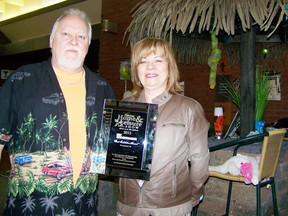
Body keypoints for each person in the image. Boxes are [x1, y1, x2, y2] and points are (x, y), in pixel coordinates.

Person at [0, 8, 114, 215]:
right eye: (66, 34)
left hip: (84, 206)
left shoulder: (103, 89)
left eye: (81, 36)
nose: (74, 41)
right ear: (51, 40)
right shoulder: (21, 80)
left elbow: (112, 144)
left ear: (88, 44)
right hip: (30, 207)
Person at [117, 38, 210, 216]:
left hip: (169, 209)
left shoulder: (189, 108)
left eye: (158, 60)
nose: (150, 67)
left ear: (170, 68)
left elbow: (200, 160)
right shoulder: (124, 106)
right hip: (127, 207)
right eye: (143, 61)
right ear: (136, 70)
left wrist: (193, 194)